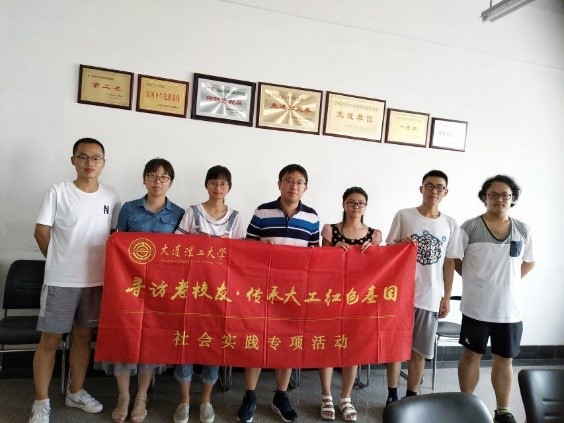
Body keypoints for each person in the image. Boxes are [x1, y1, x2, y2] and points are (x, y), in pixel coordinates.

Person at [29, 138, 121, 423]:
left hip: (96, 281)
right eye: (83, 157)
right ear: (73, 161)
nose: (89, 163)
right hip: (62, 281)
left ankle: (75, 392)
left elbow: (115, 238)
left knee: (83, 337)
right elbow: (41, 232)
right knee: (50, 340)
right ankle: (41, 401)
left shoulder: (111, 196)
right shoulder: (58, 191)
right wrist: (57, 260)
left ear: (103, 163)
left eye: (95, 158)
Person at [101, 158, 184, 423]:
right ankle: (124, 396)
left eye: (164, 177)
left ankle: (141, 396)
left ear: (170, 182)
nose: (158, 181)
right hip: (128, 287)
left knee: (150, 339)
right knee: (125, 337)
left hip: (159, 290)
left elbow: (180, 253)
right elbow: (116, 245)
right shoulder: (128, 208)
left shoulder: (179, 213)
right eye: (152, 175)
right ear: (144, 179)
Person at [237, 164, 320, 423]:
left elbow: (315, 256)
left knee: (288, 342)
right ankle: (250, 395)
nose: (293, 186)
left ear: (305, 188)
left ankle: (280, 396)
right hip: (262, 289)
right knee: (256, 339)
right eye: (288, 180)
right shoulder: (262, 211)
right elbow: (247, 245)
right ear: (279, 184)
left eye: (299, 182)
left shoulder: (312, 217)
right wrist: (260, 245)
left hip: (294, 292)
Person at [456, 175, 534, 423]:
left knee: (505, 359)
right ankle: (466, 406)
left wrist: (507, 282)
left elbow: (529, 262)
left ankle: (502, 410)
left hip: (509, 309)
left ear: (513, 198)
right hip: (476, 307)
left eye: (505, 195)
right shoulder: (469, 227)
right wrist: (476, 280)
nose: (499, 199)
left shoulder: (523, 230)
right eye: (493, 194)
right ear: (485, 197)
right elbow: (455, 259)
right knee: (471, 356)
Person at [173, 165, 246, 423]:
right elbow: (177, 248)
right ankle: (184, 400)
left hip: (220, 293)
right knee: (186, 342)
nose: (218, 187)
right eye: (213, 182)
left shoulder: (236, 217)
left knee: (213, 343)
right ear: (206, 185)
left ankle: (206, 400)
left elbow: (240, 255)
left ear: (229, 188)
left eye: (223, 183)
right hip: (192, 290)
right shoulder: (192, 212)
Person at [385, 170, 463, 404]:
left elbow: (449, 262)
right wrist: (400, 245)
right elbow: (388, 251)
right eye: (429, 186)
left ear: (446, 192)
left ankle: (411, 397)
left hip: (430, 296)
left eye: (439, 187)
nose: (434, 191)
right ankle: (392, 395)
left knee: (419, 352)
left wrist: (446, 296)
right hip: (401, 295)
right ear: (421, 189)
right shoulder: (404, 216)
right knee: (395, 349)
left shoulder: (450, 224)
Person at [319, 187, 382, 422]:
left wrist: (373, 252)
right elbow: (320, 264)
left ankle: (345, 397)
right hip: (332, 296)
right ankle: (326, 395)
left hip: (360, 299)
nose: (356, 206)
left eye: (360, 203)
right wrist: (332, 251)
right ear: (343, 204)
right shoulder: (330, 230)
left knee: (353, 348)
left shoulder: (375, 235)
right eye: (351, 202)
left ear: (366, 207)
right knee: (328, 345)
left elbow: (379, 269)